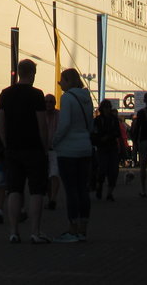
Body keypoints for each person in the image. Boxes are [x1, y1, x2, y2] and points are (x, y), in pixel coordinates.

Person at [0, 58, 51, 243]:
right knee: (36, 191)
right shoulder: (37, 95)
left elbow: (0, 122)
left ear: (19, 72)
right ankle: (35, 232)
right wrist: (45, 147)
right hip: (34, 148)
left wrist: (5, 143)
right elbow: (42, 124)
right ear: (32, 74)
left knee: (14, 190)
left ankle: (13, 231)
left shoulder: (5, 94)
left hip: (12, 148)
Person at [51, 67, 94, 243]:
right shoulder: (87, 98)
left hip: (68, 150)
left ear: (69, 81)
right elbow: (90, 124)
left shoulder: (67, 98)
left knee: (71, 190)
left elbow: (65, 123)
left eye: (62, 81)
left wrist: (54, 141)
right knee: (83, 189)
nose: (60, 84)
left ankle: (72, 229)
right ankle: (83, 229)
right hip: (85, 147)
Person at [91, 99, 127, 201]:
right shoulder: (97, 120)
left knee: (113, 171)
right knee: (102, 170)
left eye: (108, 107)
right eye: (105, 107)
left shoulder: (114, 120)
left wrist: (122, 147)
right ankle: (99, 186)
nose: (107, 110)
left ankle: (109, 193)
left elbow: (118, 134)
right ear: (102, 109)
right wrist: (100, 139)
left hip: (112, 147)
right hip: (102, 148)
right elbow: (94, 134)